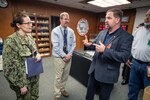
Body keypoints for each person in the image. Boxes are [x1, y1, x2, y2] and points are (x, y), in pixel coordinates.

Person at [83, 8, 133, 100]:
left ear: (117, 20)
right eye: (105, 18)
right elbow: (95, 45)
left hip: (107, 75)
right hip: (93, 70)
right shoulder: (102, 32)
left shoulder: (127, 37)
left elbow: (124, 57)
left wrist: (105, 50)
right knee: (88, 96)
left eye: (109, 18)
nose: (105, 20)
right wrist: (87, 45)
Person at [2, 10, 41, 100]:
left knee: (34, 97)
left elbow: (34, 50)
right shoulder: (11, 41)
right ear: (18, 25)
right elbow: (8, 68)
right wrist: (21, 85)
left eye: (31, 22)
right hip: (23, 81)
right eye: (27, 23)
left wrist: (37, 54)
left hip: (34, 75)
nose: (31, 25)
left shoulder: (29, 36)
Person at [51, 12, 76, 100]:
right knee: (58, 77)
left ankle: (62, 89)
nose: (67, 21)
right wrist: (64, 55)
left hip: (68, 57)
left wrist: (69, 54)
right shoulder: (55, 31)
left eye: (68, 19)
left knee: (65, 76)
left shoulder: (71, 31)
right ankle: (57, 94)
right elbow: (56, 46)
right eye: (65, 19)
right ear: (60, 20)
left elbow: (73, 44)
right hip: (59, 57)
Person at [128, 9, 150, 100]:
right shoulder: (139, 30)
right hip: (135, 63)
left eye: (149, 16)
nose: (147, 18)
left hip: (148, 66)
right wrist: (130, 57)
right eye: (146, 15)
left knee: (147, 89)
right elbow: (133, 45)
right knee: (132, 87)